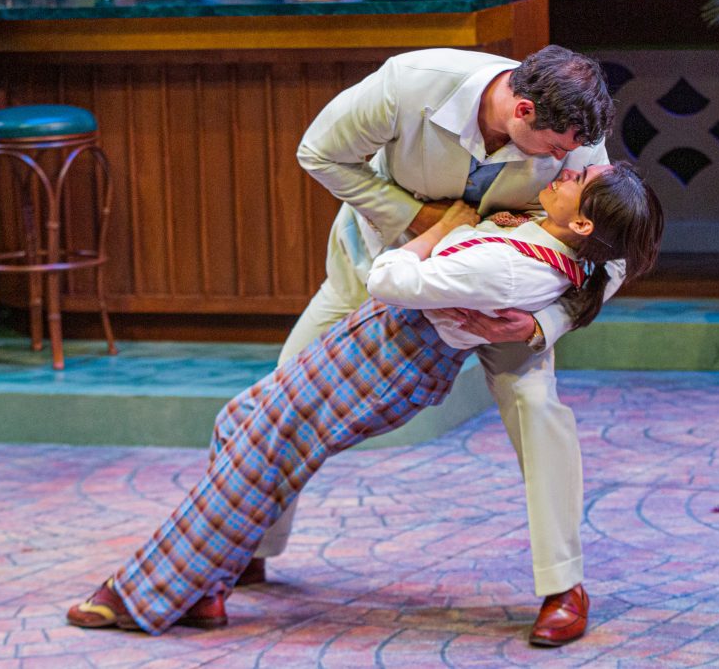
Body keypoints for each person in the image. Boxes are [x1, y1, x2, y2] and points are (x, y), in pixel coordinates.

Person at [66, 162, 665, 641]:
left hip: (388, 355)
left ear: (582, 224)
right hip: (378, 346)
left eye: (580, 178)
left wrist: (441, 229)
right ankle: (209, 582)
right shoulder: (546, 245)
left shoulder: (512, 268)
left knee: (260, 449)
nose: (569, 169)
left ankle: (142, 592)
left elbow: (390, 281)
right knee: (241, 422)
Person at [257, 44, 616, 646]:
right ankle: (247, 546)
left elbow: (614, 252)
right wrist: (414, 217)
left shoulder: (577, 137)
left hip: (500, 297)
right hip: (379, 265)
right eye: (554, 149)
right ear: (522, 110)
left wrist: (540, 326)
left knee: (538, 407)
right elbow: (318, 151)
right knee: (283, 393)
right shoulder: (411, 82)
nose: (565, 162)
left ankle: (564, 585)